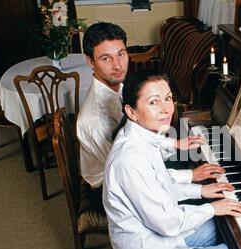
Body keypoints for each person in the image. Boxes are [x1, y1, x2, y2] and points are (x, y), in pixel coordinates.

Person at [103, 71, 241, 249]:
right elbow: (167, 223)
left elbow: (158, 184)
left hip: (162, 241)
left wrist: (200, 191)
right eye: (154, 102)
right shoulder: (131, 160)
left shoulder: (137, 137)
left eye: (168, 98)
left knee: (229, 228)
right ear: (131, 111)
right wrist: (211, 208)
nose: (166, 109)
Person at [76, 22, 224, 190]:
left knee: (194, 157)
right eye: (105, 58)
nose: (117, 65)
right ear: (90, 62)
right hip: (112, 188)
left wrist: (173, 144)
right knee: (204, 190)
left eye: (121, 54)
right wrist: (191, 176)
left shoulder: (118, 87)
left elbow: (136, 138)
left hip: (135, 165)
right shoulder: (95, 120)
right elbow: (130, 172)